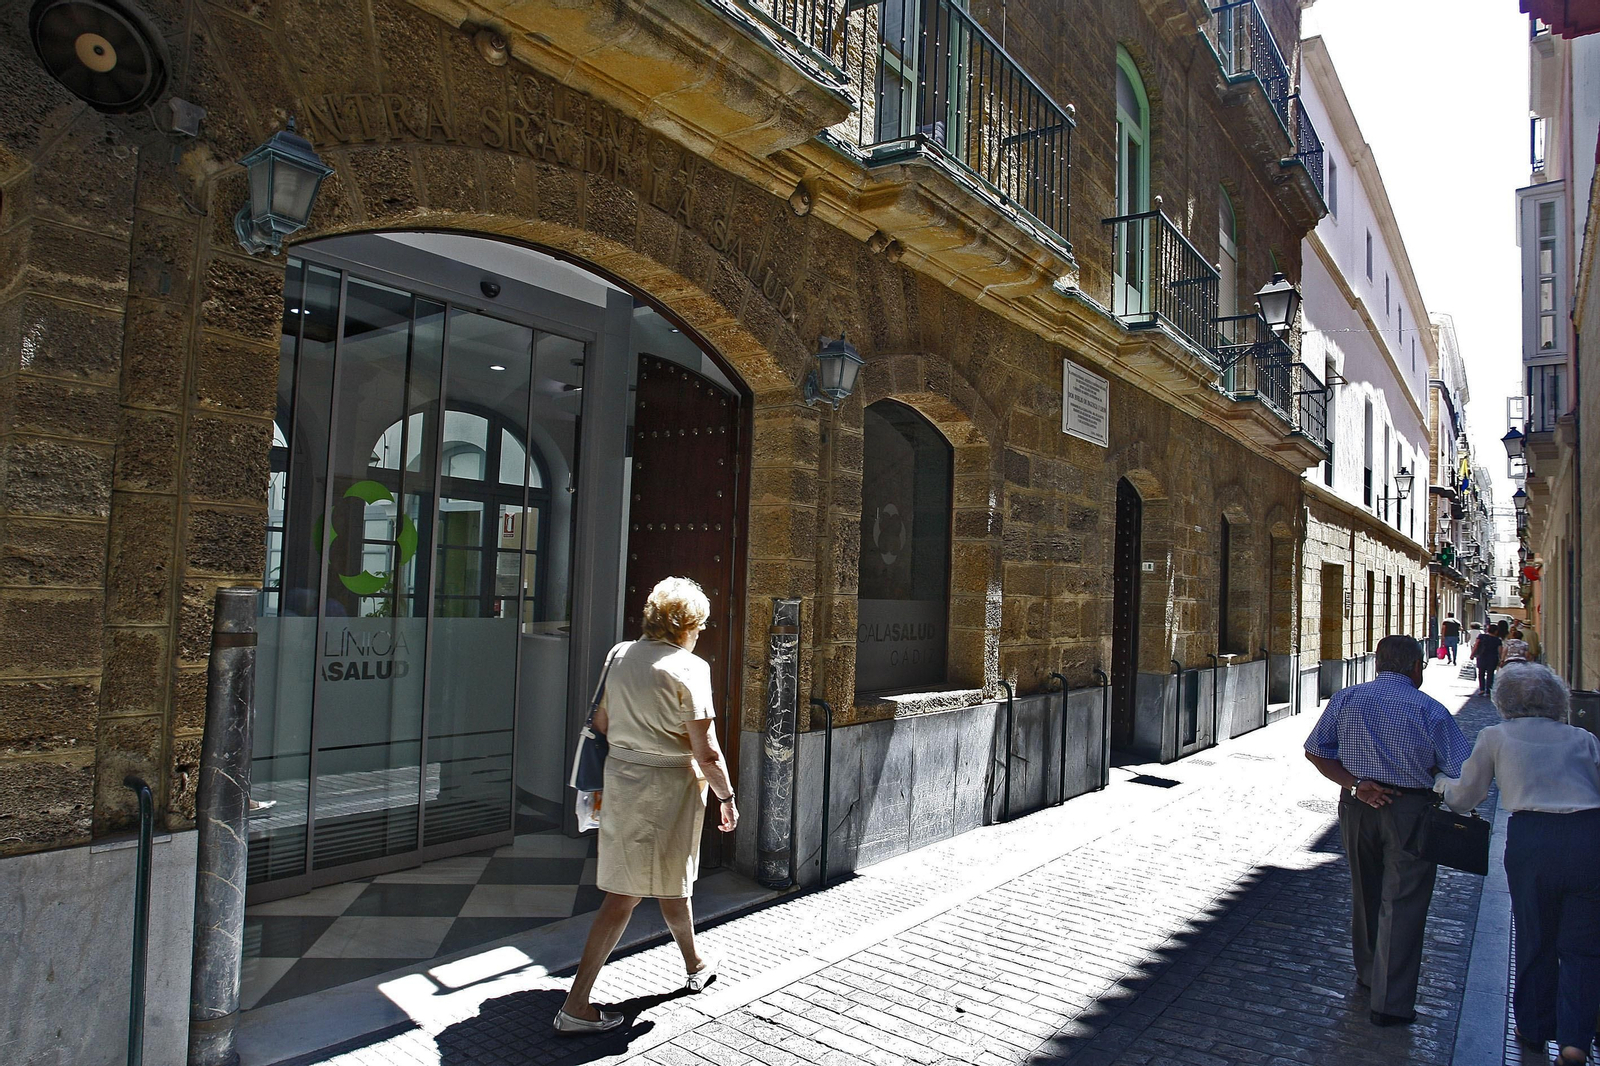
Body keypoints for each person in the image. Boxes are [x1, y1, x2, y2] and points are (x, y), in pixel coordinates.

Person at [555, 577, 739, 1034]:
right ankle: (575, 1006)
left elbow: (601, 722)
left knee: (669, 881)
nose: (701, 631)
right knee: (626, 894)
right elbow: (707, 752)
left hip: (623, 781)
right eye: (699, 624)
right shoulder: (690, 668)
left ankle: (695, 964)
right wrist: (727, 797)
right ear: (686, 625)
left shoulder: (619, 654)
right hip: (669, 787)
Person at [1435, 664, 1600, 1065]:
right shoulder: (1584, 738)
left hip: (1533, 839)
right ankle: (1575, 1040)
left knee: (1534, 935)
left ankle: (1533, 1026)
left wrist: (1440, 783)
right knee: (1583, 947)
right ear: (1558, 700)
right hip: (1588, 837)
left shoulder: (1496, 736)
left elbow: (1465, 798)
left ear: (1504, 701)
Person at [1304, 634, 1472, 1027]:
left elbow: (1316, 751)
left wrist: (1355, 784)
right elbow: (1461, 770)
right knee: (1404, 900)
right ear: (1416, 667)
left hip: (1358, 804)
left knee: (1365, 890)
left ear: (1377, 664)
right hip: (1410, 810)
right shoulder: (1430, 710)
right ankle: (1390, 1001)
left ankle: (1368, 973)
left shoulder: (1347, 698)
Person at [1474, 622, 1503, 696]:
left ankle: (1482, 689)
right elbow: (1500, 651)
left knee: (1481, 673)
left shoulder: (1481, 636)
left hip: (1482, 656)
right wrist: (1501, 659)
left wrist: (1472, 654)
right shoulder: (1498, 640)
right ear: (1496, 631)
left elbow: (1476, 645)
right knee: (1490, 674)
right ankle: (1488, 690)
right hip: (1492, 658)